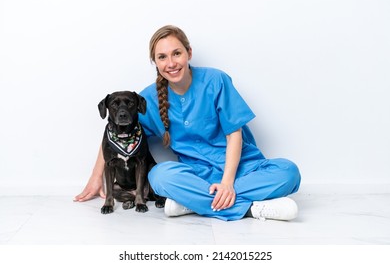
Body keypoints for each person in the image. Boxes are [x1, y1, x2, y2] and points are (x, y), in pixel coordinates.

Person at [74, 25, 301, 221]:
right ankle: (251, 209)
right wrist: (96, 178)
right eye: (162, 57)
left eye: (177, 53)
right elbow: (116, 133)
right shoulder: (147, 99)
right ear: (155, 62)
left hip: (243, 169)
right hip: (197, 175)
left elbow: (235, 134)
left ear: (189, 53)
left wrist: (228, 184)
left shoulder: (216, 80)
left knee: (289, 172)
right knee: (159, 176)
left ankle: (192, 203)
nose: (171, 63)